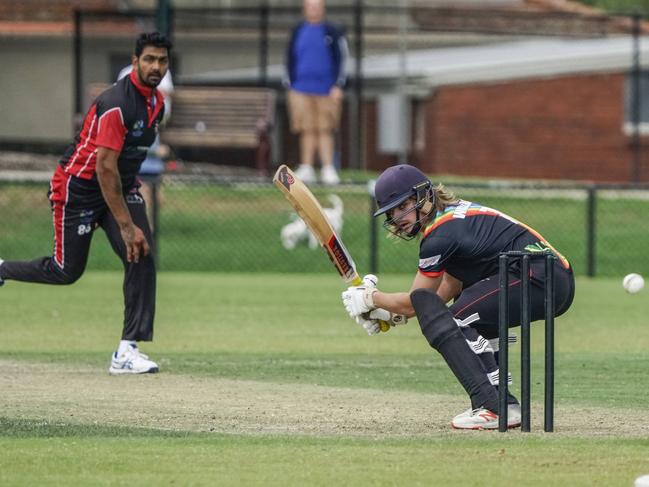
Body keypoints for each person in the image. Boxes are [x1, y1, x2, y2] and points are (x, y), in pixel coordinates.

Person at [341, 164, 575, 430]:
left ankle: (494, 407)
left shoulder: (442, 234)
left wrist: (371, 298)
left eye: (403, 205)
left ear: (424, 196)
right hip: (549, 277)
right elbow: (446, 288)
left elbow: (417, 299)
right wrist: (393, 314)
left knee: (457, 320)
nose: (398, 216)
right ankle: (502, 405)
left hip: (538, 277)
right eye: (391, 212)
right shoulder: (452, 218)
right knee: (463, 312)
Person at [0, 32, 172, 375]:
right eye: (149, 59)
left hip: (119, 188)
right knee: (66, 272)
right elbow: (104, 168)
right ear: (135, 61)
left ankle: (127, 350)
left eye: (162, 60)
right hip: (78, 189)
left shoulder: (157, 105)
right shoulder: (117, 105)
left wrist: (131, 216)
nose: (156, 66)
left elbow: (124, 164)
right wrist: (126, 225)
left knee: (142, 251)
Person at [285, 0, 347, 185]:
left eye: (317, 6)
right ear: (305, 8)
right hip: (301, 88)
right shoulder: (297, 31)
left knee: (324, 128)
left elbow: (342, 58)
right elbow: (289, 58)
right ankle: (307, 166)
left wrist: (338, 85)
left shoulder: (332, 31)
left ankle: (328, 167)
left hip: (326, 90)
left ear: (323, 8)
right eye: (310, 6)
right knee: (306, 128)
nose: (314, 9)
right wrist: (291, 83)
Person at [117, 64, 174, 233]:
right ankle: (146, 228)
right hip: (137, 160)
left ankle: (146, 225)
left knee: (155, 196)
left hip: (150, 158)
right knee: (145, 191)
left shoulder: (152, 114)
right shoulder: (130, 114)